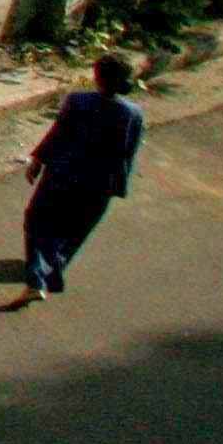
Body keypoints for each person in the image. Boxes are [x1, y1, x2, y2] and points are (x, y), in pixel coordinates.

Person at [16, 54, 146, 308]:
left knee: (38, 220)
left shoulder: (77, 101)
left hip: (63, 174)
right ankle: (51, 268)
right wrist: (118, 186)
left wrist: (38, 161)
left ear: (97, 78)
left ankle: (36, 280)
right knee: (74, 230)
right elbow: (127, 154)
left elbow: (58, 135)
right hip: (100, 184)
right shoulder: (133, 114)